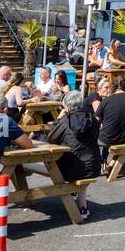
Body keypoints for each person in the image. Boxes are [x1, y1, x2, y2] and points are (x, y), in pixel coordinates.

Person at [45, 90, 100, 220]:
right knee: (82, 164)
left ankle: (76, 202)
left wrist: (58, 119)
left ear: (66, 106)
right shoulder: (92, 119)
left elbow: (51, 138)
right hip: (93, 167)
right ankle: (82, 207)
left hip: (70, 170)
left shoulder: (64, 121)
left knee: (59, 163)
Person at [97, 76, 125, 173]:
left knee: (110, 133)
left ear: (113, 87)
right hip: (123, 138)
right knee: (122, 138)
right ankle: (111, 163)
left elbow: (96, 120)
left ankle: (104, 163)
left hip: (104, 139)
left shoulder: (105, 101)